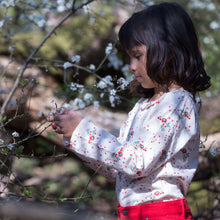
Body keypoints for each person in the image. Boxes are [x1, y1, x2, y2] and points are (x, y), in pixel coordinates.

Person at [47, 2, 211, 220]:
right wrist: (74, 135)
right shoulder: (142, 107)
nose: (131, 66)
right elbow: (118, 170)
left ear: (169, 52)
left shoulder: (177, 103)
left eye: (138, 56)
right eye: (129, 57)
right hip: (132, 213)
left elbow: (136, 164)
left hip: (162, 214)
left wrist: (83, 130)